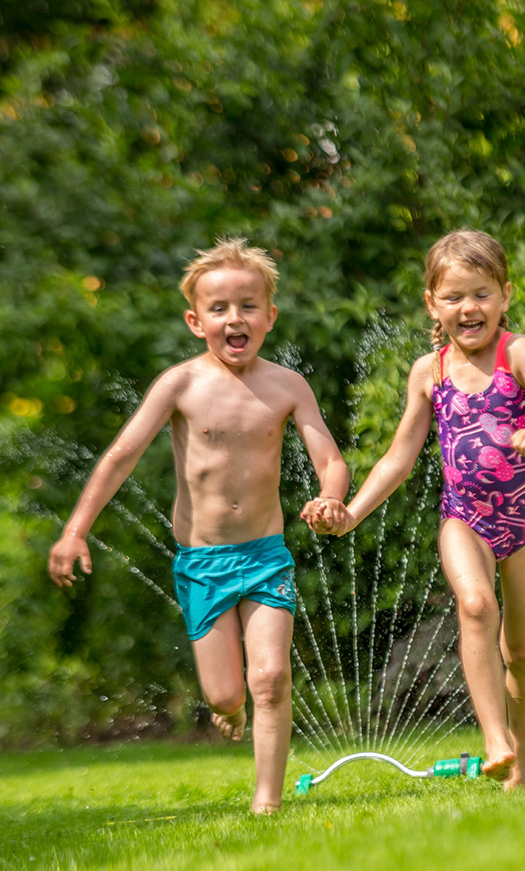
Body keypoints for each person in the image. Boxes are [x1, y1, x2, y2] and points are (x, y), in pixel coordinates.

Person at [49, 238, 349, 812]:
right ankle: (227, 708)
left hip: (266, 556)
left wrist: (331, 497)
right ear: (196, 321)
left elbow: (330, 459)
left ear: (270, 316)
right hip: (203, 562)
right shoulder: (180, 385)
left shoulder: (287, 386)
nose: (234, 318)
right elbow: (119, 457)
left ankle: (267, 802)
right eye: (219, 308)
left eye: (248, 305)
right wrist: (74, 530)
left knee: (269, 678)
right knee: (227, 692)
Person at [303, 230, 525, 790]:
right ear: (432, 303)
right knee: (475, 605)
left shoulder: (517, 352)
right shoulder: (427, 373)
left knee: (523, 651)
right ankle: (494, 739)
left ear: (505, 295)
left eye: (480, 294)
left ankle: (518, 763)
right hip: (465, 517)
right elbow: (399, 457)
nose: (468, 308)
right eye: (453, 297)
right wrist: (351, 513)